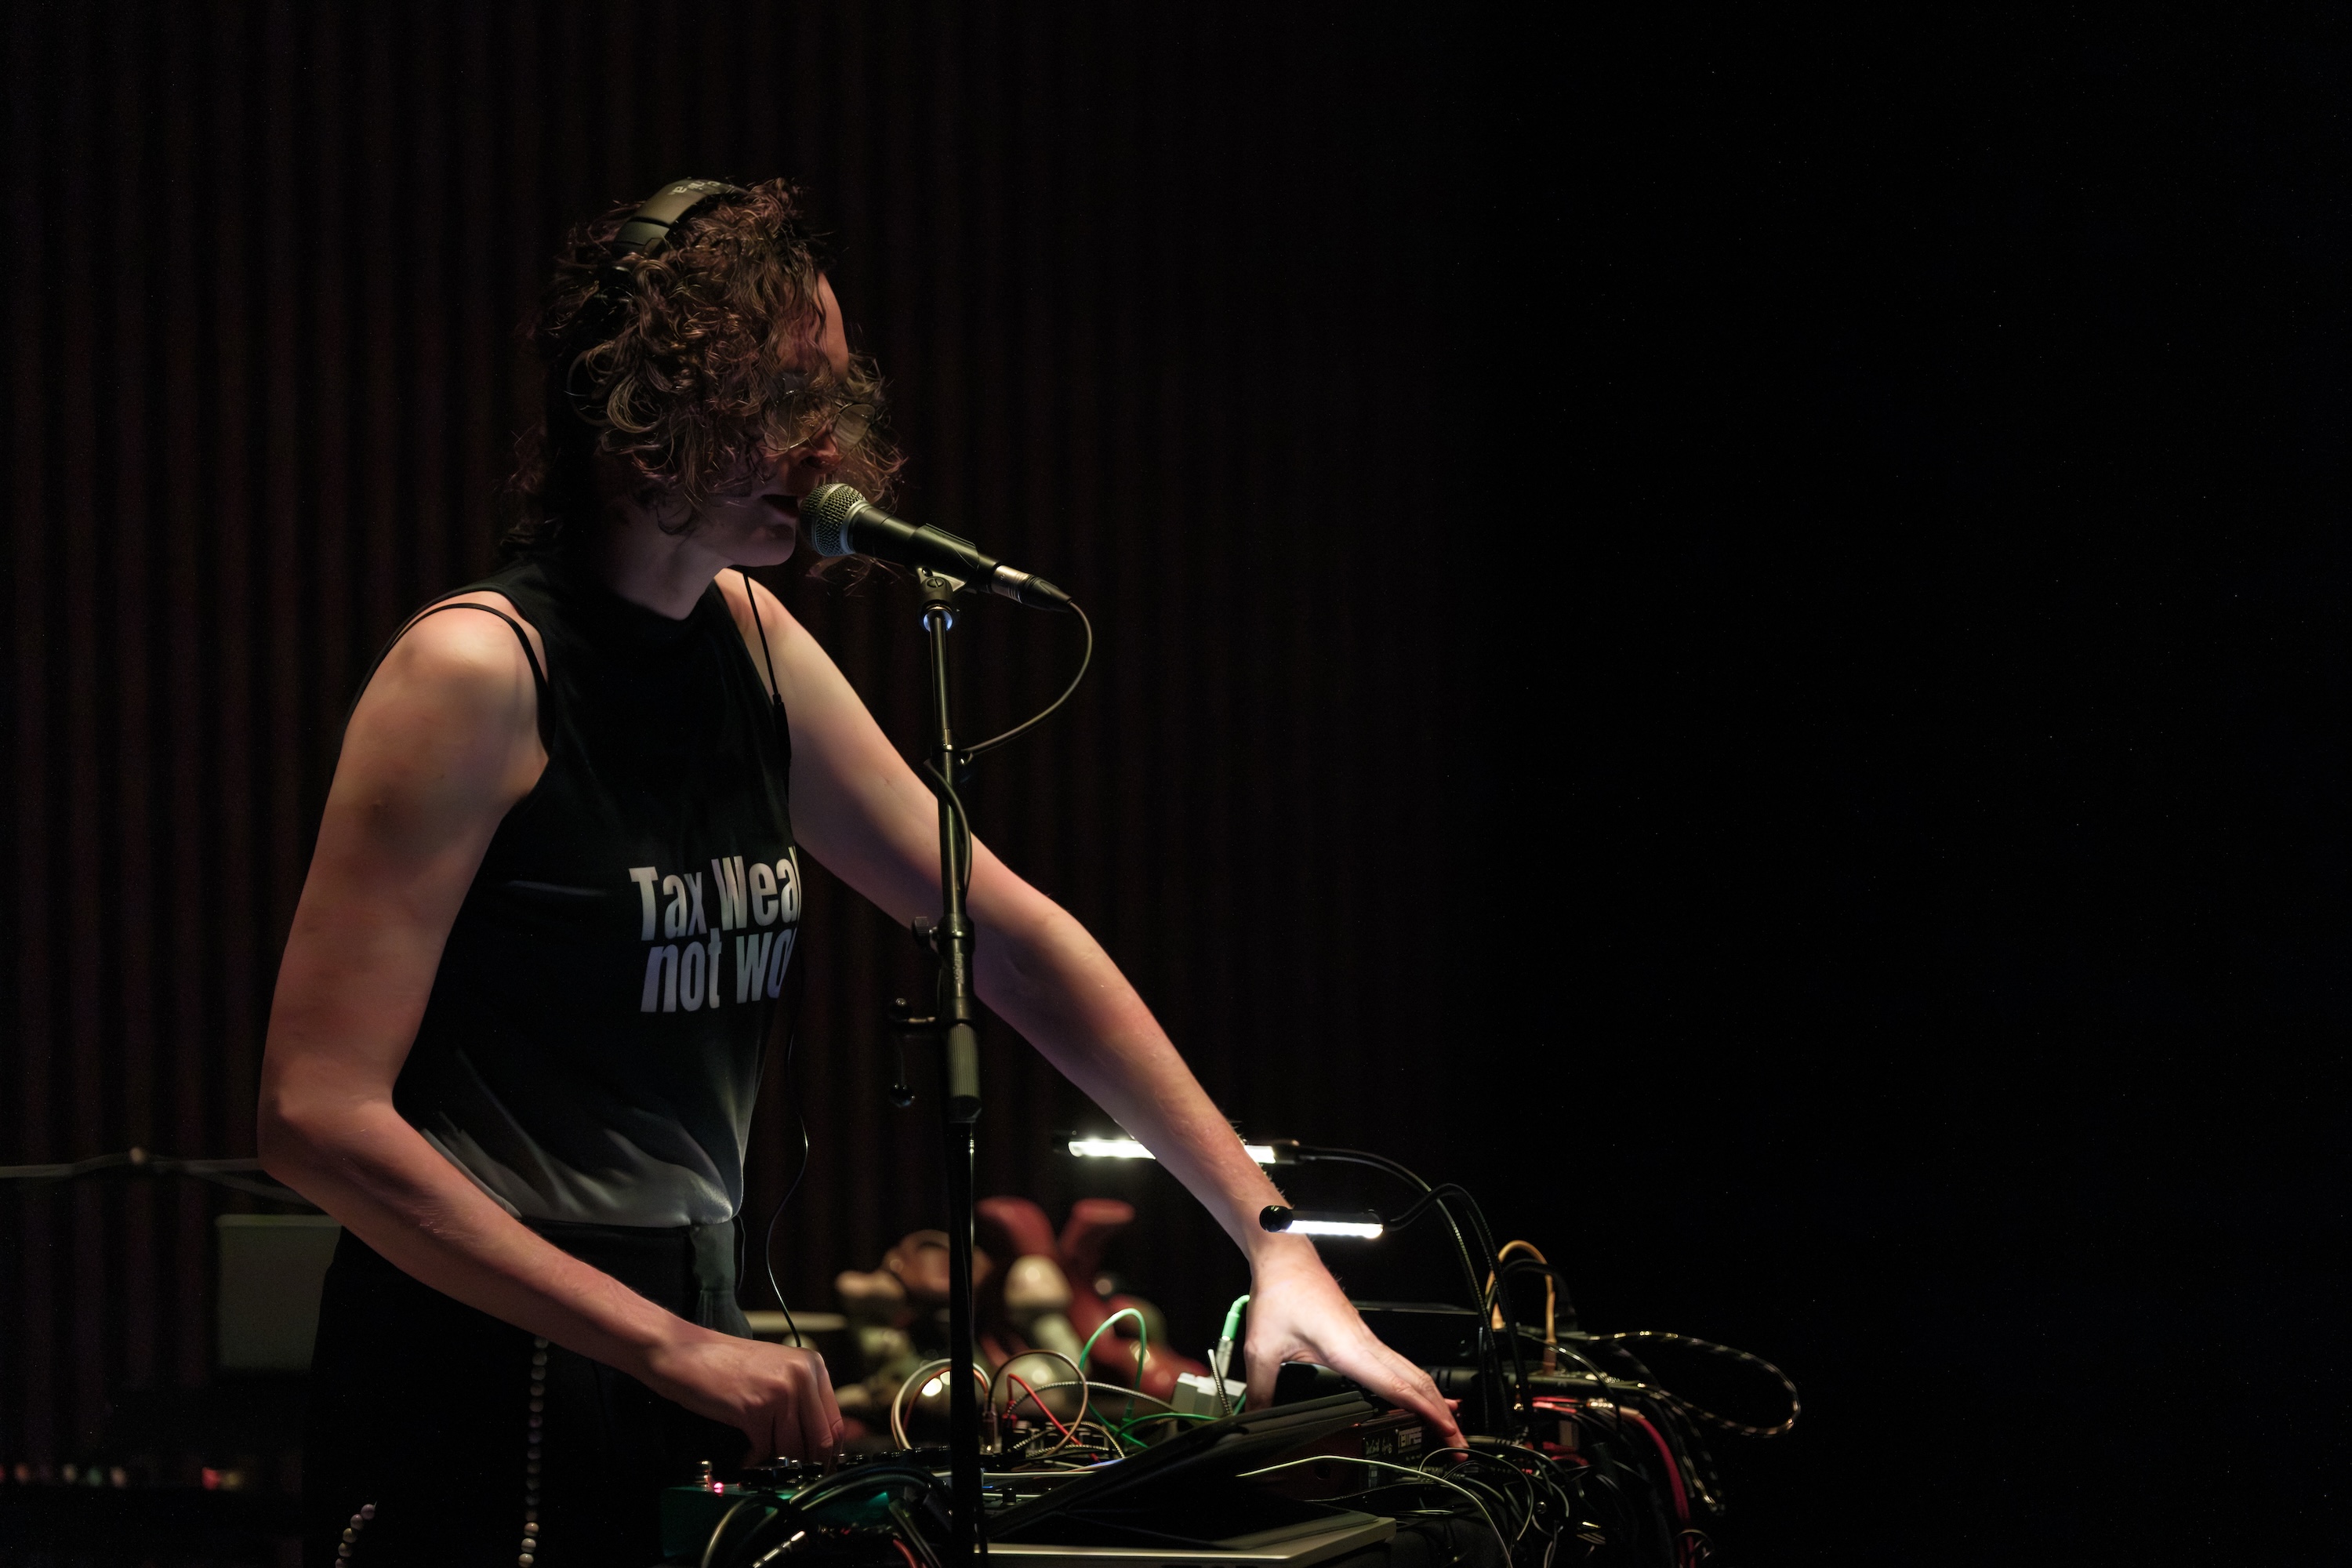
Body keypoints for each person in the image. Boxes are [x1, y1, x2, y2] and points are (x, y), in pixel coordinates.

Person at [259, 177, 1458, 1566]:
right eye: (774, 396)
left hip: (678, 1327)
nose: (824, 445)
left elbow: (1002, 934)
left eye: (830, 392)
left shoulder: (752, 641)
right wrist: (662, 1343)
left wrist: (1271, 1237)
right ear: (640, 411)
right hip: (485, 1373)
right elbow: (312, 1112)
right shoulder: (477, 671)